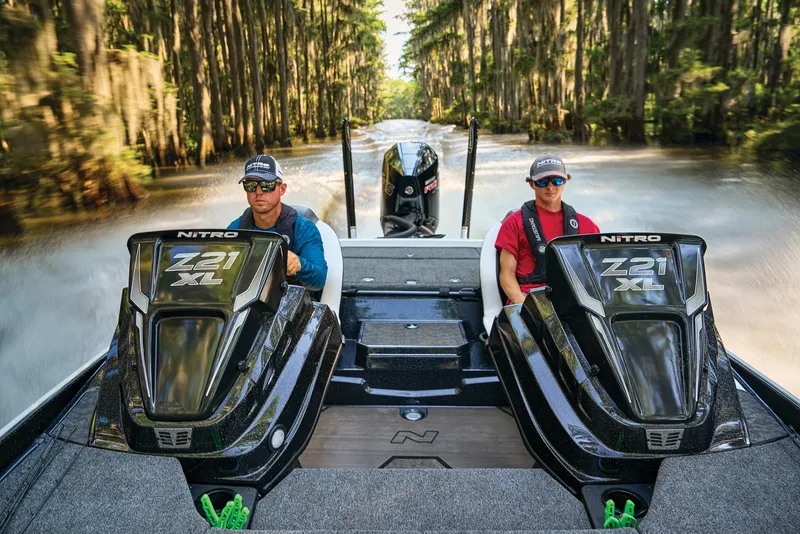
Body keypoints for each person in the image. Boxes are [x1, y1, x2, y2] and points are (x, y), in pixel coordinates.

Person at [495, 154, 599, 304]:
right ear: (532, 184)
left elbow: (596, 273)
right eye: (543, 182)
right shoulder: (513, 223)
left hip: (574, 300)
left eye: (557, 180)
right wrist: (527, 307)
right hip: (528, 298)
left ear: (565, 181)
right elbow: (506, 275)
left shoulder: (587, 225)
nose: (551, 187)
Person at [229, 155, 328, 291]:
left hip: (290, 304)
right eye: (250, 185)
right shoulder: (235, 230)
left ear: (282, 189)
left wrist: (300, 264)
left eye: (266, 185)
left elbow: (319, 280)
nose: (258, 192)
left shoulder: (303, 228)